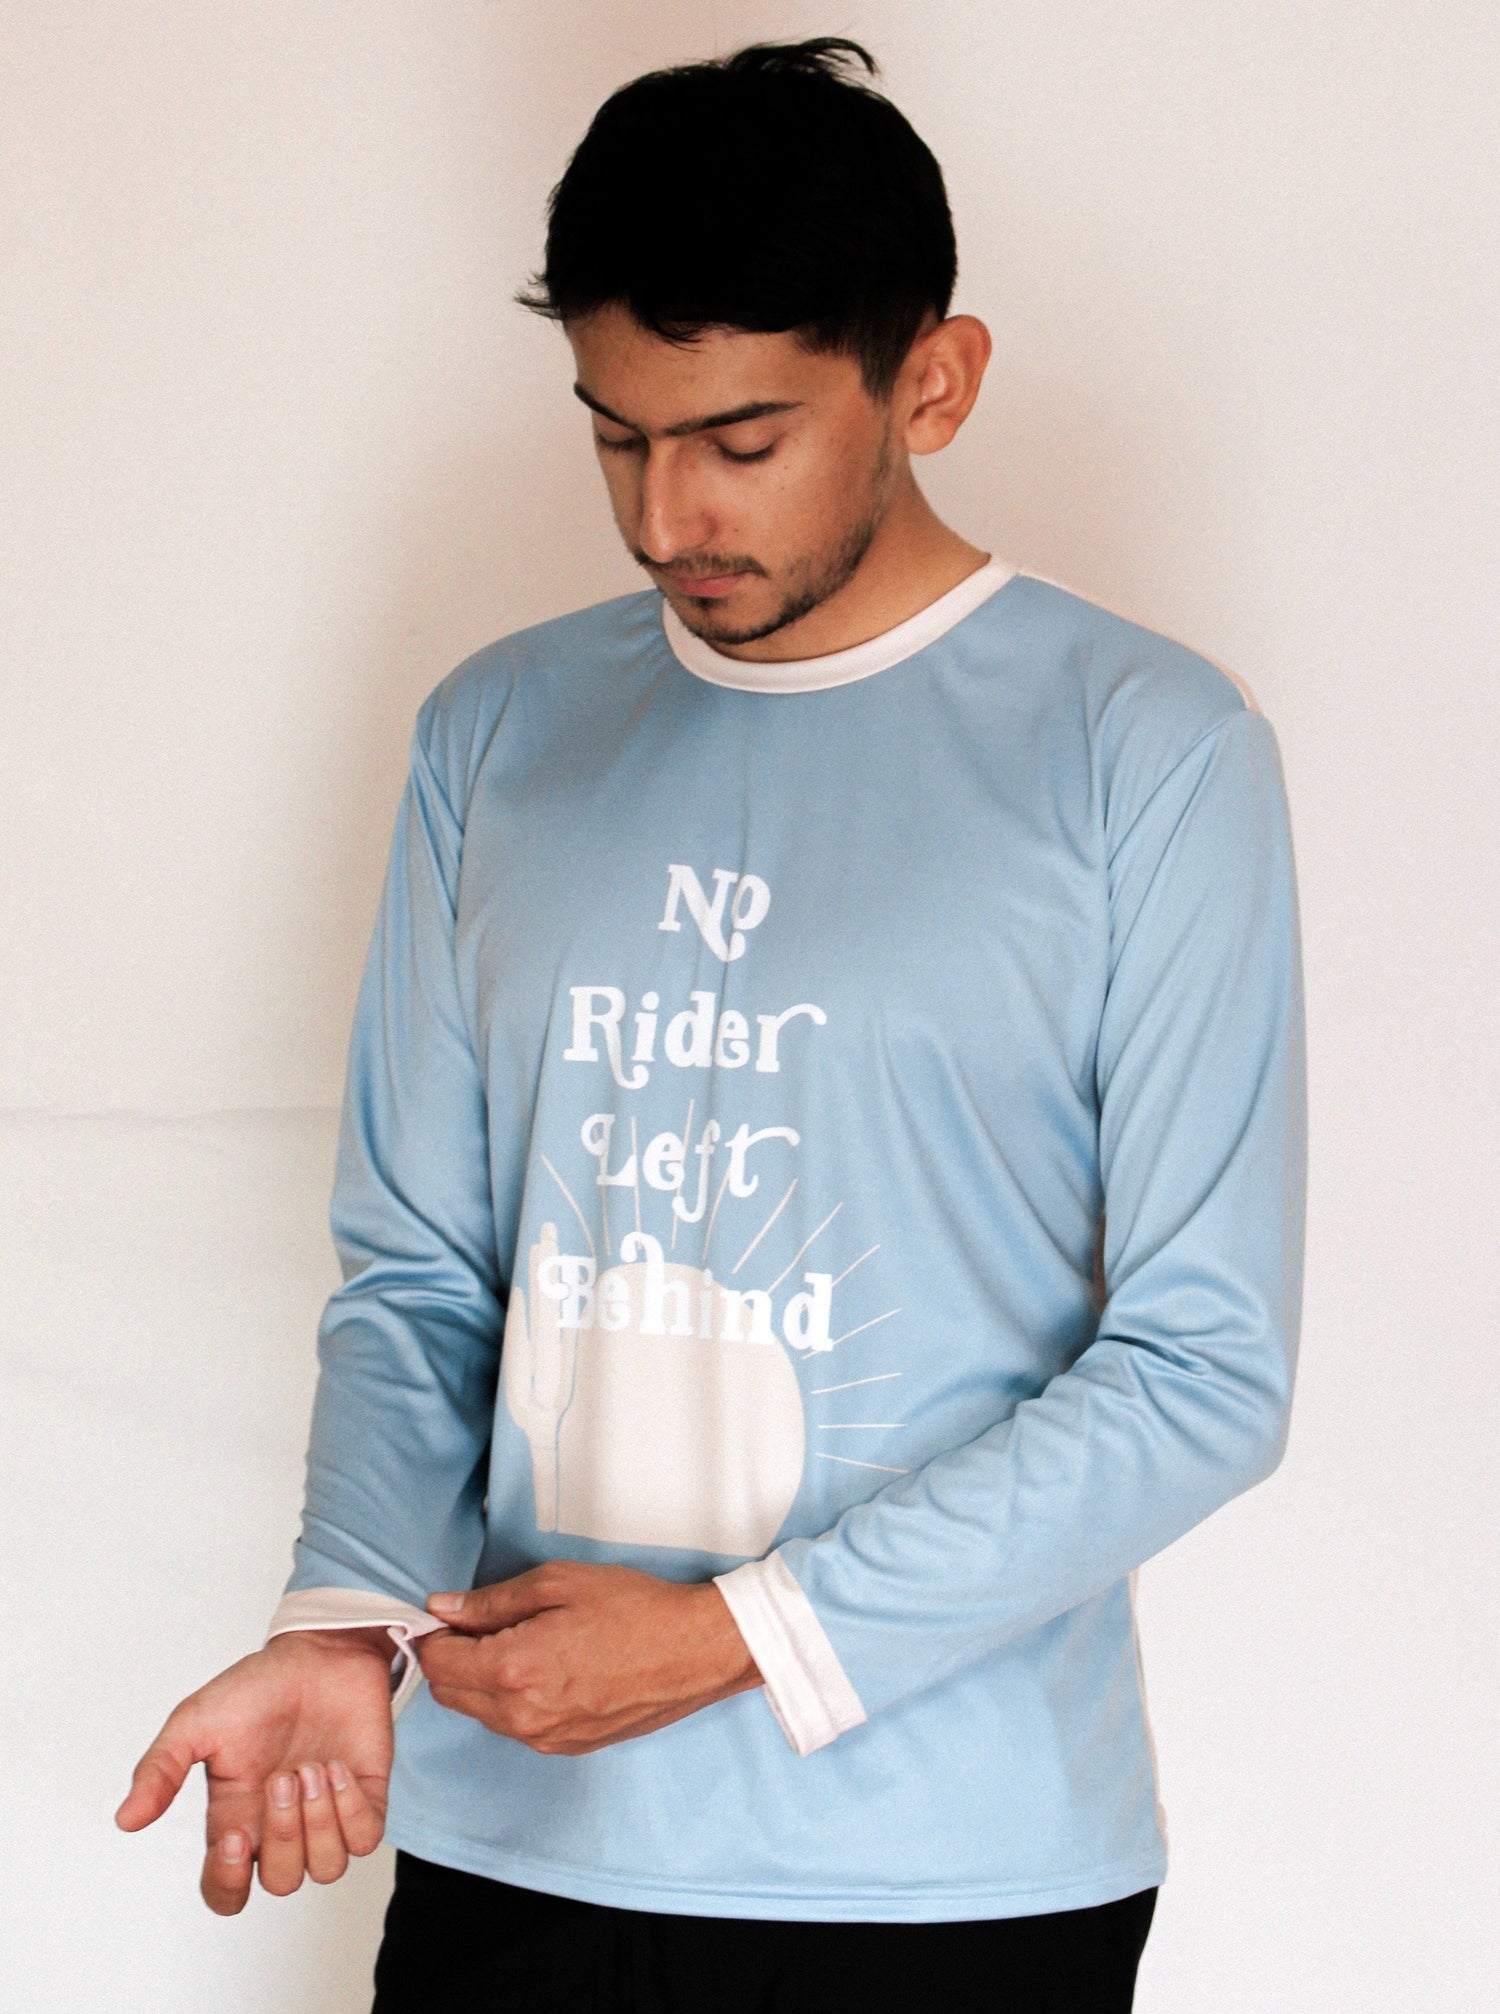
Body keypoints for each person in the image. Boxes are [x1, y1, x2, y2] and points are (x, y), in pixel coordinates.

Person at [117, 38, 1305, 2014]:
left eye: (742, 441)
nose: (667, 511)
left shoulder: (1145, 752)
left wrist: (731, 1635)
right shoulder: (499, 733)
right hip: (527, 1840)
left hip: (956, 1870)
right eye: (616, 434)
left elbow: (1201, 1368)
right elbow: (419, 1279)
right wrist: (338, 1619)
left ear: (931, 380)